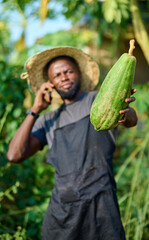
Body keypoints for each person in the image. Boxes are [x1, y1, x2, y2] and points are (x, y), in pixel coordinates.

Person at [7, 47, 138, 240]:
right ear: (50, 83)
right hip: (62, 214)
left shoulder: (100, 102)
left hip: (102, 209)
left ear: (78, 73)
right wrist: (35, 110)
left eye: (68, 71)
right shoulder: (48, 120)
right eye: (57, 75)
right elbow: (14, 155)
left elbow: (131, 119)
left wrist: (125, 113)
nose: (64, 77)